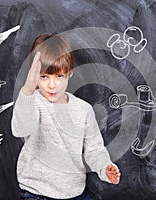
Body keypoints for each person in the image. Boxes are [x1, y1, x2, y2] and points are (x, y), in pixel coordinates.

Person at [11, 33, 121, 200]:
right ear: (35, 76)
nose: (52, 85)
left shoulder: (83, 110)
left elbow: (94, 150)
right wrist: (27, 89)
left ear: (70, 73)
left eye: (59, 76)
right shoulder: (32, 101)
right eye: (43, 77)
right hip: (36, 192)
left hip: (74, 193)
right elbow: (20, 129)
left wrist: (105, 168)